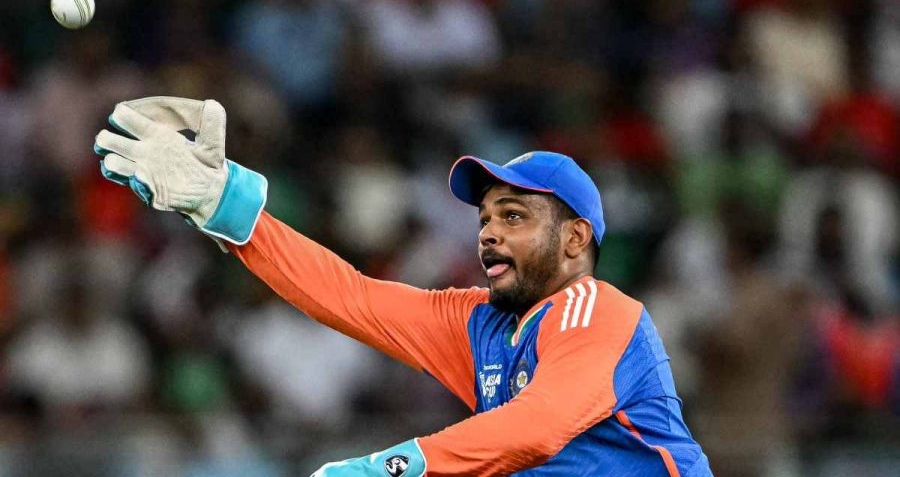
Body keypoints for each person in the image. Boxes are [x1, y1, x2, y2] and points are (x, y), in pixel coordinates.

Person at [93, 97, 712, 476]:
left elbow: (536, 427)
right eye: (486, 219)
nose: (489, 234)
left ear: (576, 240)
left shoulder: (597, 311)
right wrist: (226, 208)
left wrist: (390, 467)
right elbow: (351, 297)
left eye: (515, 217)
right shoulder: (481, 322)